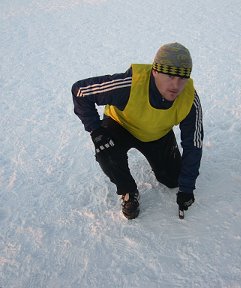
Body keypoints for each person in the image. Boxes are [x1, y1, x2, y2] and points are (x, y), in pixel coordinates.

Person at [72, 42, 203, 219]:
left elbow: (193, 144)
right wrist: (96, 131)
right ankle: (128, 191)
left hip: (157, 133)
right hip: (121, 125)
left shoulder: (189, 99)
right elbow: (81, 91)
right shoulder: (131, 83)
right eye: (170, 76)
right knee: (106, 151)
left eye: (182, 77)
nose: (176, 85)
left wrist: (187, 187)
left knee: (173, 180)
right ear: (155, 71)